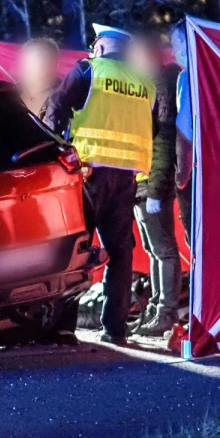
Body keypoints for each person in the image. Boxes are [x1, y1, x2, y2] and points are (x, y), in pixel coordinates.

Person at [45, 23, 155, 345]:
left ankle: (64, 327)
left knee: (76, 249)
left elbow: (56, 107)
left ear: (102, 47)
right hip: (126, 180)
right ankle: (115, 329)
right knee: (121, 253)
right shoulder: (145, 84)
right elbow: (153, 130)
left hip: (86, 173)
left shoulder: (87, 70)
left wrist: (55, 148)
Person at [127, 35, 181, 337]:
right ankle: (156, 309)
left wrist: (157, 188)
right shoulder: (146, 87)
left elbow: (163, 141)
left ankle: (165, 312)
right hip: (142, 181)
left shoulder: (160, 85)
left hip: (151, 182)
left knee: (163, 249)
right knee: (153, 249)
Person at [170, 20, 194, 246]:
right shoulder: (216, 72)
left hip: (196, 173)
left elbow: (185, 129)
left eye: (175, 44)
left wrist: (181, 177)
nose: (173, 51)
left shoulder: (187, 77)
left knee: (196, 237)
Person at [15, 37, 62, 119]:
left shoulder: (64, 99)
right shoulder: (11, 93)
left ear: (53, 64)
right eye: (28, 60)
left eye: (37, 59)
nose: (30, 66)